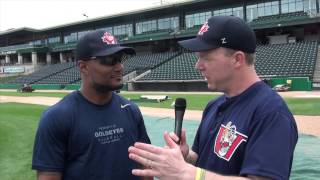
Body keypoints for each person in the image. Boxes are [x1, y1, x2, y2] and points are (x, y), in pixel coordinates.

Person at [128, 16, 298, 180]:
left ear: (237, 59)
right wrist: (184, 159)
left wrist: (187, 174)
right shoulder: (214, 105)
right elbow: (202, 160)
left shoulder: (271, 113)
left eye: (206, 57)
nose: (198, 65)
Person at [32, 30, 152, 180]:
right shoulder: (56, 117)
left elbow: (145, 165)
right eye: (109, 60)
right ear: (83, 67)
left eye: (120, 59)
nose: (119, 67)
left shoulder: (131, 110)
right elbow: (48, 176)